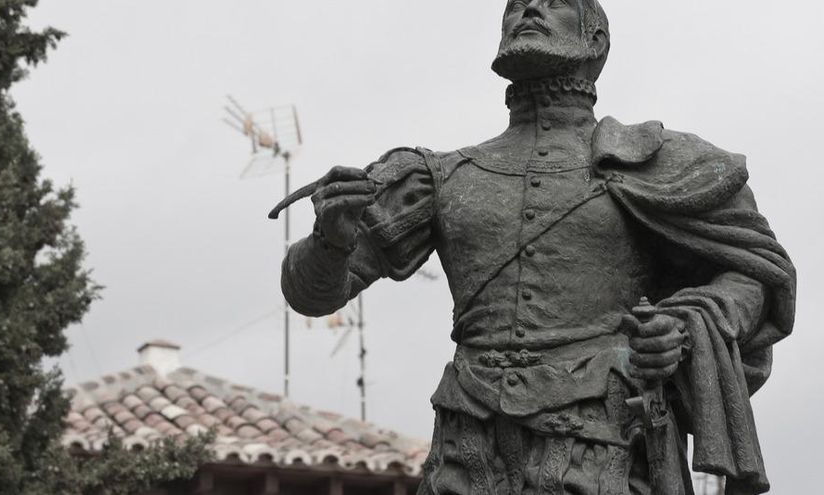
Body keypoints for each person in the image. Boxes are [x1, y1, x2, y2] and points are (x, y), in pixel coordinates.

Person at [279, 1, 795, 493]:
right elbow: (313, 295)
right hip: (465, 452)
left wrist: (683, 326)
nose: (528, 10)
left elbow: (758, 273)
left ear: (596, 39)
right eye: (517, 4)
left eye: (554, 3)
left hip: (604, 447)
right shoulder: (442, 176)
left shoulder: (656, 161)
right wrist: (330, 238)